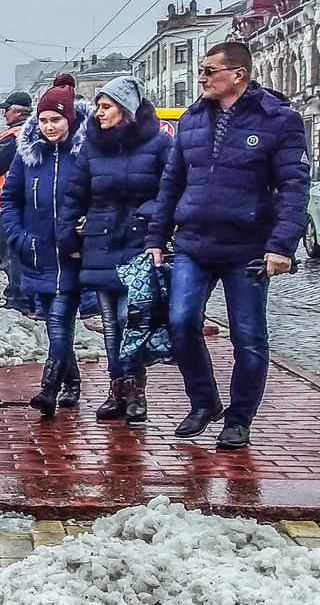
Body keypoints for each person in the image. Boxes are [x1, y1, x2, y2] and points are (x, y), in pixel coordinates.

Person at [145, 42, 308, 449]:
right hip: (194, 242)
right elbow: (172, 183)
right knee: (181, 322)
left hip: (247, 248)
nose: (201, 77)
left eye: (209, 70)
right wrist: (156, 237)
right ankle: (204, 401)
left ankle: (239, 418)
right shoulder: (192, 119)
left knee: (248, 337)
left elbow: (293, 187)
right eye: (200, 69)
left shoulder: (278, 120)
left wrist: (282, 246)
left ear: (238, 74)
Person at [57, 75, 172, 423]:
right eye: (98, 107)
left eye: (106, 107)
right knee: (110, 324)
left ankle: (137, 390)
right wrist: (67, 232)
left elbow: (171, 191)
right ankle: (117, 389)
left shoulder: (158, 144)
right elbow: (76, 194)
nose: (99, 113)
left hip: (140, 244)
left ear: (127, 109)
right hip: (100, 241)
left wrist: (151, 217)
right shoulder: (92, 147)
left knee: (131, 317)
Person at [1, 86, 87, 416]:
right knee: (54, 323)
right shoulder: (28, 156)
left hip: (72, 252)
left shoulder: (84, 153)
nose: (49, 126)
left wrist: (86, 227)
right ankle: (73, 382)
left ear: (70, 118)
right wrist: (19, 237)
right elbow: (10, 199)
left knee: (61, 319)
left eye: (56, 119)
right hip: (38, 251)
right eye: (43, 120)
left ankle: (48, 388)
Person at [0, 89, 35, 312]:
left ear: (17, 112)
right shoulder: (34, 132)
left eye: (6, 110)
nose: (4, 114)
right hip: (25, 199)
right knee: (23, 249)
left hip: (9, 202)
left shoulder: (14, 136)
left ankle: (18, 297)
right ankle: (28, 295)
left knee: (11, 251)